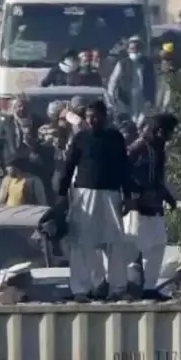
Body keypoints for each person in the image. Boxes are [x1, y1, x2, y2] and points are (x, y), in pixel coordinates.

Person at [57, 99, 132, 303]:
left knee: (114, 242)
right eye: (89, 117)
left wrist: (128, 195)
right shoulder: (81, 138)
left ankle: (117, 287)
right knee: (81, 242)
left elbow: (124, 167)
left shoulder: (115, 138)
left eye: (95, 116)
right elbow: (69, 166)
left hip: (111, 194)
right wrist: (62, 194)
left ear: (104, 117)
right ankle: (81, 289)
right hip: (84, 195)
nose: (92, 120)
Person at [124, 114, 178, 299]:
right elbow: (123, 170)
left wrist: (168, 197)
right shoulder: (139, 147)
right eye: (170, 133)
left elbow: (156, 179)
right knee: (133, 249)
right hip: (138, 208)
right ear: (160, 131)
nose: (171, 137)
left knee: (157, 245)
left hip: (155, 206)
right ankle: (130, 288)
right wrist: (134, 193)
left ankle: (148, 288)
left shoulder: (158, 148)